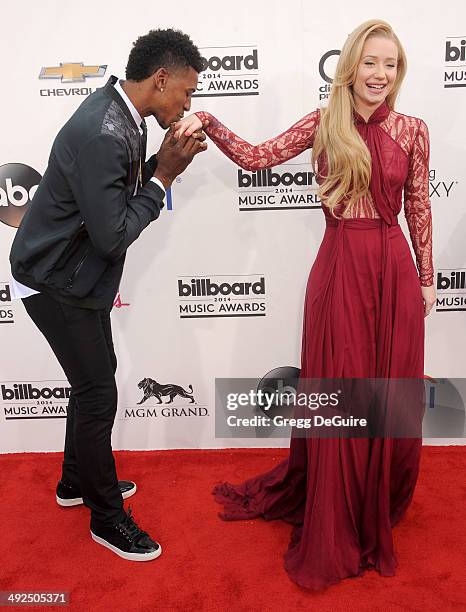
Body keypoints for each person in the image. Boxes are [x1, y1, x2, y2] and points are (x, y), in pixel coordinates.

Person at [175, 19, 435, 589]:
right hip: (340, 268)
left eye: (390, 65)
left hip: (393, 270)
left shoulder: (414, 129)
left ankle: (375, 504)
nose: (380, 75)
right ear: (350, 66)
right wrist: (211, 122)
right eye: (371, 62)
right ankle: (337, 513)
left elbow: (419, 204)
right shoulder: (325, 123)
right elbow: (257, 157)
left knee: (388, 394)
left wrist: (428, 278)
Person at [9, 28, 207, 561]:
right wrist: (164, 175)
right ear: (160, 79)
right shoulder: (106, 129)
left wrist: (156, 168)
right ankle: (105, 515)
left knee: (96, 382)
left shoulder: (122, 115)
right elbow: (113, 232)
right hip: (52, 279)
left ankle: (76, 482)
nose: (189, 104)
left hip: (73, 274)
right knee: (98, 393)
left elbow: (113, 200)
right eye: (186, 92)